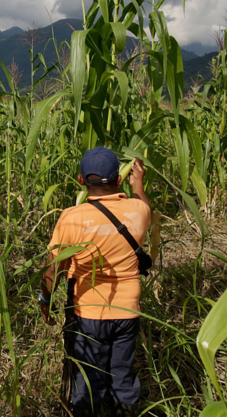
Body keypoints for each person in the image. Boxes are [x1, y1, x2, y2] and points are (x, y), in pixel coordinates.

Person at [40, 146, 151, 416]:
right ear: (119, 180)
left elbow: (54, 268)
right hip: (128, 311)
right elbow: (144, 205)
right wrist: (139, 185)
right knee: (123, 375)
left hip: (88, 313)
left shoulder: (71, 218)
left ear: (81, 180)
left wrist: (45, 299)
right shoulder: (139, 211)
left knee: (87, 381)